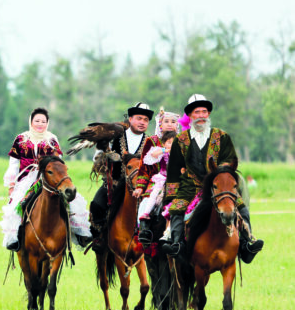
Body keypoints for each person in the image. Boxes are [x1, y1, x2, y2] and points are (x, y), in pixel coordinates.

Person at [162, 94, 263, 263]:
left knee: (241, 208)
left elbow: (230, 161)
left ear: (208, 114)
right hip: (190, 187)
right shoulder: (180, 140)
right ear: (190, 115)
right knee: (177, 209)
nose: (201, 115)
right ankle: (177, 245)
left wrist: (218, 173)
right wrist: (171, 197)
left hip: (219, 186)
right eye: (197, 112)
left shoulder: (222, 137)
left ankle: (247, 244)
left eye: (204, 112)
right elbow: (173, 170)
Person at [0, 107, 91, 251]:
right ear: (31, 121)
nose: (40, 124)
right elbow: (14, 163)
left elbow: (58, 161)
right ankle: (14, 238)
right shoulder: (21, 139)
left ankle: (79, 234)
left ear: (47, 123)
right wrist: (11, 185)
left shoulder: (52, 139)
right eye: (37, 121)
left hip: (48, 178)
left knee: (72, 200)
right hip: (25, 180)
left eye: (43, 121)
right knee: (16, 206)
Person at [88, 102, 153, 249]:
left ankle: (152, 242)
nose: (142, 122)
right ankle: (99, 238)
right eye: (139, 118)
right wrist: (104, 156)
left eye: (145, 120)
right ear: (130, 119)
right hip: (114, 184)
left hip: (140, 187)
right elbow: (97, 156)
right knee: (97, 205)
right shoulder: (115, 136)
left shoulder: (150, 142)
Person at [133, 109, 180, 243]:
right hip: (157, 179)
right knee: (148, 200)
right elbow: (144, 167)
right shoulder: (152, 141)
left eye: (173, 122)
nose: (170, 124)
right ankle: (144, 229)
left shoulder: (183, 140)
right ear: (160, 124)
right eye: (166, 121)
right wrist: (140, 186)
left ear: (177, 125)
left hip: (178, 180)